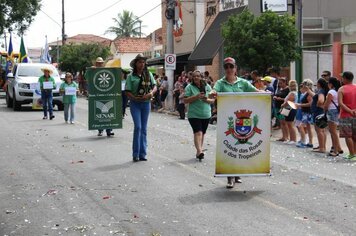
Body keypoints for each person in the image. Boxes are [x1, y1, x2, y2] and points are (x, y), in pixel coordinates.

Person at [210, 57, 259, 189]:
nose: (229, 69)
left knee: (240, 147)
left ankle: (237, 174)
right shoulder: (221, 83)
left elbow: (256, 93)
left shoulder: (243, 83)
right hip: (226, 121)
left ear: (236, 68)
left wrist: (266, 93)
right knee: (229, 148)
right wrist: (213, 94)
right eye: (226, 67)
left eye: (231, 66)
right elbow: (214, 91)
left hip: (243, 120)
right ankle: (230, 177)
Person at [125, 54, 157, 162]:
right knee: (138, 127)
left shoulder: (149, 75)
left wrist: (151, 94)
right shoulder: (131, 76)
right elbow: (127, 91)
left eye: (143, 62)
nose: (141, 64)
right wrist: (134, 98)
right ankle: (135, 154)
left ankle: (143, 154)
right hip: (135, 104)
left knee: (144, 129)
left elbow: (155, 86)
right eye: (139, 62)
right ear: (135, 64)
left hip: (146, 103)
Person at [184, 70, 214, 160]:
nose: (196, 77)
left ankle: (199, 152)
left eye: (198, 76)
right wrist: (196, 97)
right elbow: (185, 100)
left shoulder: (207, 86)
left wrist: (206, 99)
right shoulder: (189, 87)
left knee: (203, 133)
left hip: (206, 114)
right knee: (198, 132)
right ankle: (200, 151)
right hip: (194, 114)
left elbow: (212, 100)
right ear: (192, 78)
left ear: (201, 77)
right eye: (194, 76)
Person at [94, 57, 115, 137]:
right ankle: (100, 130)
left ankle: (109, 130)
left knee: (109, 113)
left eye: (101, 63)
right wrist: (91, 70)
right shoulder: (93, 71)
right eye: (98, 63)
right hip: (98, 95)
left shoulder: (107, 71)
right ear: (96, 63)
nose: (100, 64)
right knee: (99, 113)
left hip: (107, 95)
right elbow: (87, 77)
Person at [338, 71, 356, 160]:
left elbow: (340, 103)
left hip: (345, 115)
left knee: (347, 135)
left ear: (345, 78)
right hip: (355, 115)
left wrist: (349, 110)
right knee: (354, 135)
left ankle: (352, 154)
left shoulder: (341, 89)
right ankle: (355, 154)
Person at [324, 77, 343, 157]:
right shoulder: (337, 91)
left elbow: (327, 103)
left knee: (333, 132)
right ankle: (338, 148)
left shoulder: (331, 91)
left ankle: (335, 150)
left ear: (330, 84)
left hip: (331, 111)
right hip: (336, 111)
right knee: (334, 131)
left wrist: (324, 110)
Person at [311, 78, 329, 153]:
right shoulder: (324, 90)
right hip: (322, 112)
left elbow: (321, 100)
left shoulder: (321, 90)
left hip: (318, 112)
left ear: (319, 84)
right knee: (323, 130)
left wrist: (318, 105)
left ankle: (321, 147)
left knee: (319, 130)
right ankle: (322, 146)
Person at [296, 79, 314, 148]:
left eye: (303, 84)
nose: (302, 85)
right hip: (306, 112)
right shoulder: (307, 93)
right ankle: (310, 142)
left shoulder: (309, 93)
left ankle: (303, 141)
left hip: (307, 113)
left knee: (301, 126)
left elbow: (310, 104)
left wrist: (300, 105)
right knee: (308, 128)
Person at [281, 80, 298, 144]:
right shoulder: (293, 92)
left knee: (290, 124)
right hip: (288, 109)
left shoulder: (292, 93)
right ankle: (291, 139)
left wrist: (283, 105)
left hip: (290, 109)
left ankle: (293, 139)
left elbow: (288, 101)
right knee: (289, 124)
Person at [273, 78, 290, 142]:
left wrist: (280, 99)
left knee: (284, 122)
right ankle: (283, 136)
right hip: (278, 107)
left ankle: (286, 136)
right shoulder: (280, 89)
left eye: (281, 83)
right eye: (279, 83)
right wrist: (275, 97)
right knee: (281, 122)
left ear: (285, 82)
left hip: (284, 107)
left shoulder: (288, 89)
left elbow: (288, 99)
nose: (280, 84)